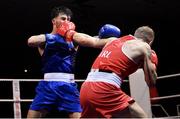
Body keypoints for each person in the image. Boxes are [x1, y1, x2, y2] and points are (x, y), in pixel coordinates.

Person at [27, 5, 121, 118]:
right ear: (53, 20)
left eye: (68, 19)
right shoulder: (44, 40)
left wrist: (116, 40)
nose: (66, 21)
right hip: (47, 85)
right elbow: (31, 41)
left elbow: (95, 41)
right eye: (63, 18)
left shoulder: (74, 38)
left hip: (68, 85)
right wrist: (56, 37)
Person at [78, 26, 158, 118]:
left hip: (86, 87)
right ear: (150, 41)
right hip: (105, 88)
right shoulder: (145, 46)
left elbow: (89, 40)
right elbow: (151, 81)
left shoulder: (112, 40)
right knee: (141, 117)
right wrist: (153, 62)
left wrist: (69, 33)